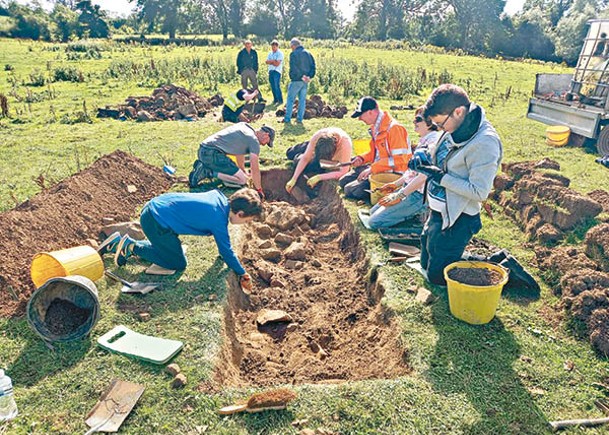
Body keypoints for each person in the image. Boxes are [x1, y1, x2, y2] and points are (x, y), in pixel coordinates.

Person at [409, 84, 503, 286]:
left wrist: (441, 178)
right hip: (438, 210)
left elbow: (480, 191)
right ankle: (454, 255)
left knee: (437, 277)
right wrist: (422, 152)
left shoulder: (485, 143)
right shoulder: (456, 126)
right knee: (425, 262)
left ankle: (498, 266)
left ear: (458, 111)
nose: (440, 129)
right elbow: (439, 148)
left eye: (440, 124)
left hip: (458, 218)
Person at [99, 188, 262, 291]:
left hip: (155, 209)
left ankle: (120, 243)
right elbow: (226, 251)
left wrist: (224, 255)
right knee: (177, 263)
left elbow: (223, 248)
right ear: (240, 214)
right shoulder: (218, 219)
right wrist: (242, 273)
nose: (244, 224)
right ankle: (131, 246)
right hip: (156, 222)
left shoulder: (218, 197)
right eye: (246, 221)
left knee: (169, 248)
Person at [367, 107, 440, 229]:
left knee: (374, 222)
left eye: (418, 119)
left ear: (430, 123)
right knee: (372, 212)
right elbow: (412, 172)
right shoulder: (424, 141)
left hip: (418, 195)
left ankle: (417, 214)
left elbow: (423, 177)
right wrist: (395, 184)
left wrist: (399, 195)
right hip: (409, 189)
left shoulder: (432, 144)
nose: (414, 122)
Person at [339, 96, 411, 201]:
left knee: (350, 190)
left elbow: (399, 160)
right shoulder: (375, 128)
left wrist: (372, 169)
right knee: (343, 181)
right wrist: (362, 159)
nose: (359, 119)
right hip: (378, 169)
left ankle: (380, 193)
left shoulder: (394, 129)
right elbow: (375, 153)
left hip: (393, 176)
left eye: (360, 115)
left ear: (370, 112)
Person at [188, 123, 275, 199]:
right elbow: (254, 168)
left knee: (241, 175)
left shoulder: (245, 127)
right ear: (266, 135)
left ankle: (206, 165)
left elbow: (239, 153)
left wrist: (243, 170)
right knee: (242, 180)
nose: (264, 145)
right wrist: (259, 189)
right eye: (267, 142)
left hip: (204, 150)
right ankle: (207, 172)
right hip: (213, 154)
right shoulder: (254, 141)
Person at [284, 127, 353, 192]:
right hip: (313, 146)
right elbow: (306, 158)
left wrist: (319, 177)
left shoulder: (345, 145)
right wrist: (294, 178)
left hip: (334, 162)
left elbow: (344, 171)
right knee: (290, 153)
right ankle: (303, 149)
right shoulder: (318, 136)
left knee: (311, 167)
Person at [283, 38, 315, 124]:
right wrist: (309, 76)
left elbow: (294, 68)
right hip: (305, 81)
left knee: (290, 99)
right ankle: (299, 119)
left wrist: (301, 76)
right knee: (302, 100)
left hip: (296, 79)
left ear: (293, 45)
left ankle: (287, 119)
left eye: (291, 46)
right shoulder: (308, 53)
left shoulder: (293, 54)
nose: (291, 48)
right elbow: (313, 66)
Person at [266, 40, 284, 105]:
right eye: (272, 47)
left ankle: (280, 100)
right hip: (271, 71)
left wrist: (271, 61)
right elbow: (266, 62)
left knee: (277, 85)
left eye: (274, 47)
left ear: (277, 47)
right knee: (272, 86)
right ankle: (275, 100)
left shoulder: (280, 53)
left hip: (277, 71)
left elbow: (277, 64)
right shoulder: (270, 53)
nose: (273, 48)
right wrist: (273, 61)